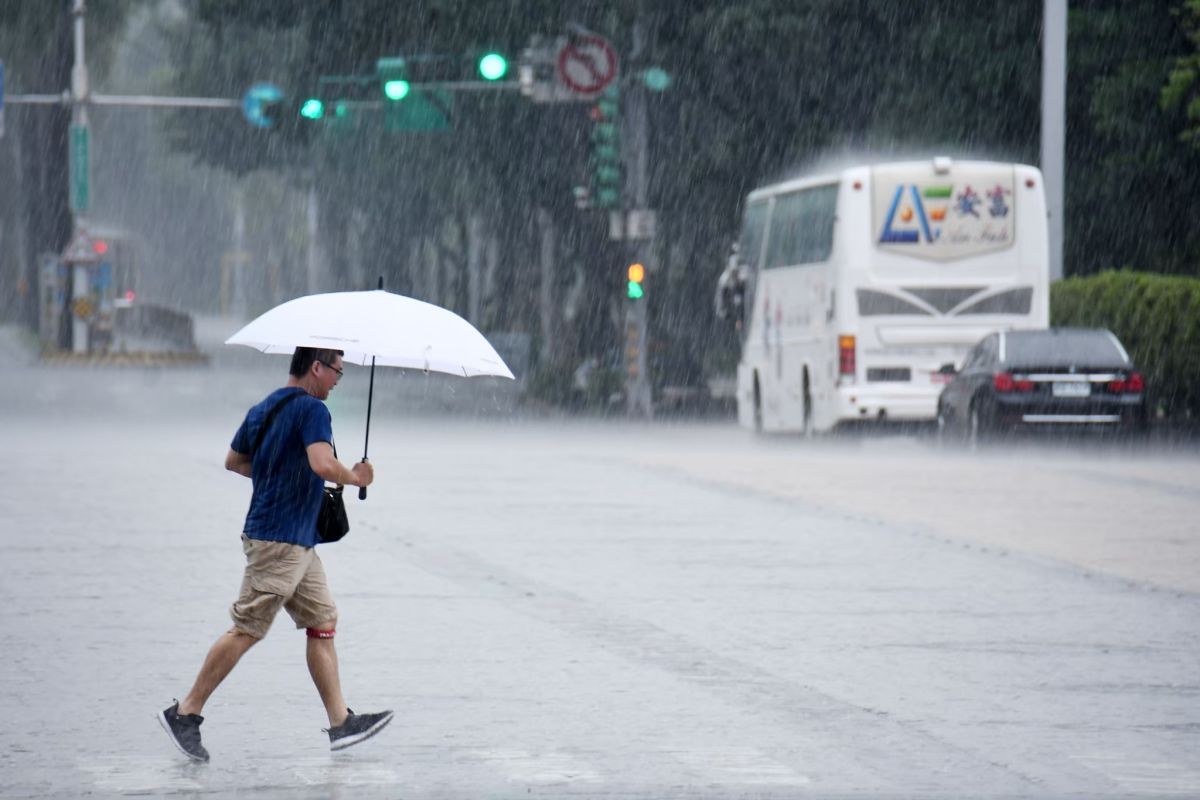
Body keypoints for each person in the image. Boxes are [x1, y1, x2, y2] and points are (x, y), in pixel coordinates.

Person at [159, 346, 391, 762]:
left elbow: (235, 461)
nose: (339, 379)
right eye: (337, 370)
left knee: (322, 621)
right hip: (280, 541)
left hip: (293, 539)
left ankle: (340, 723)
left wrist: (278, 473)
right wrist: (355, 476)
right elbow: (322, 463)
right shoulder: (313, 411)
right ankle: (185, 712)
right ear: (317, 367)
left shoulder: (264, 407)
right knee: (247, 627)